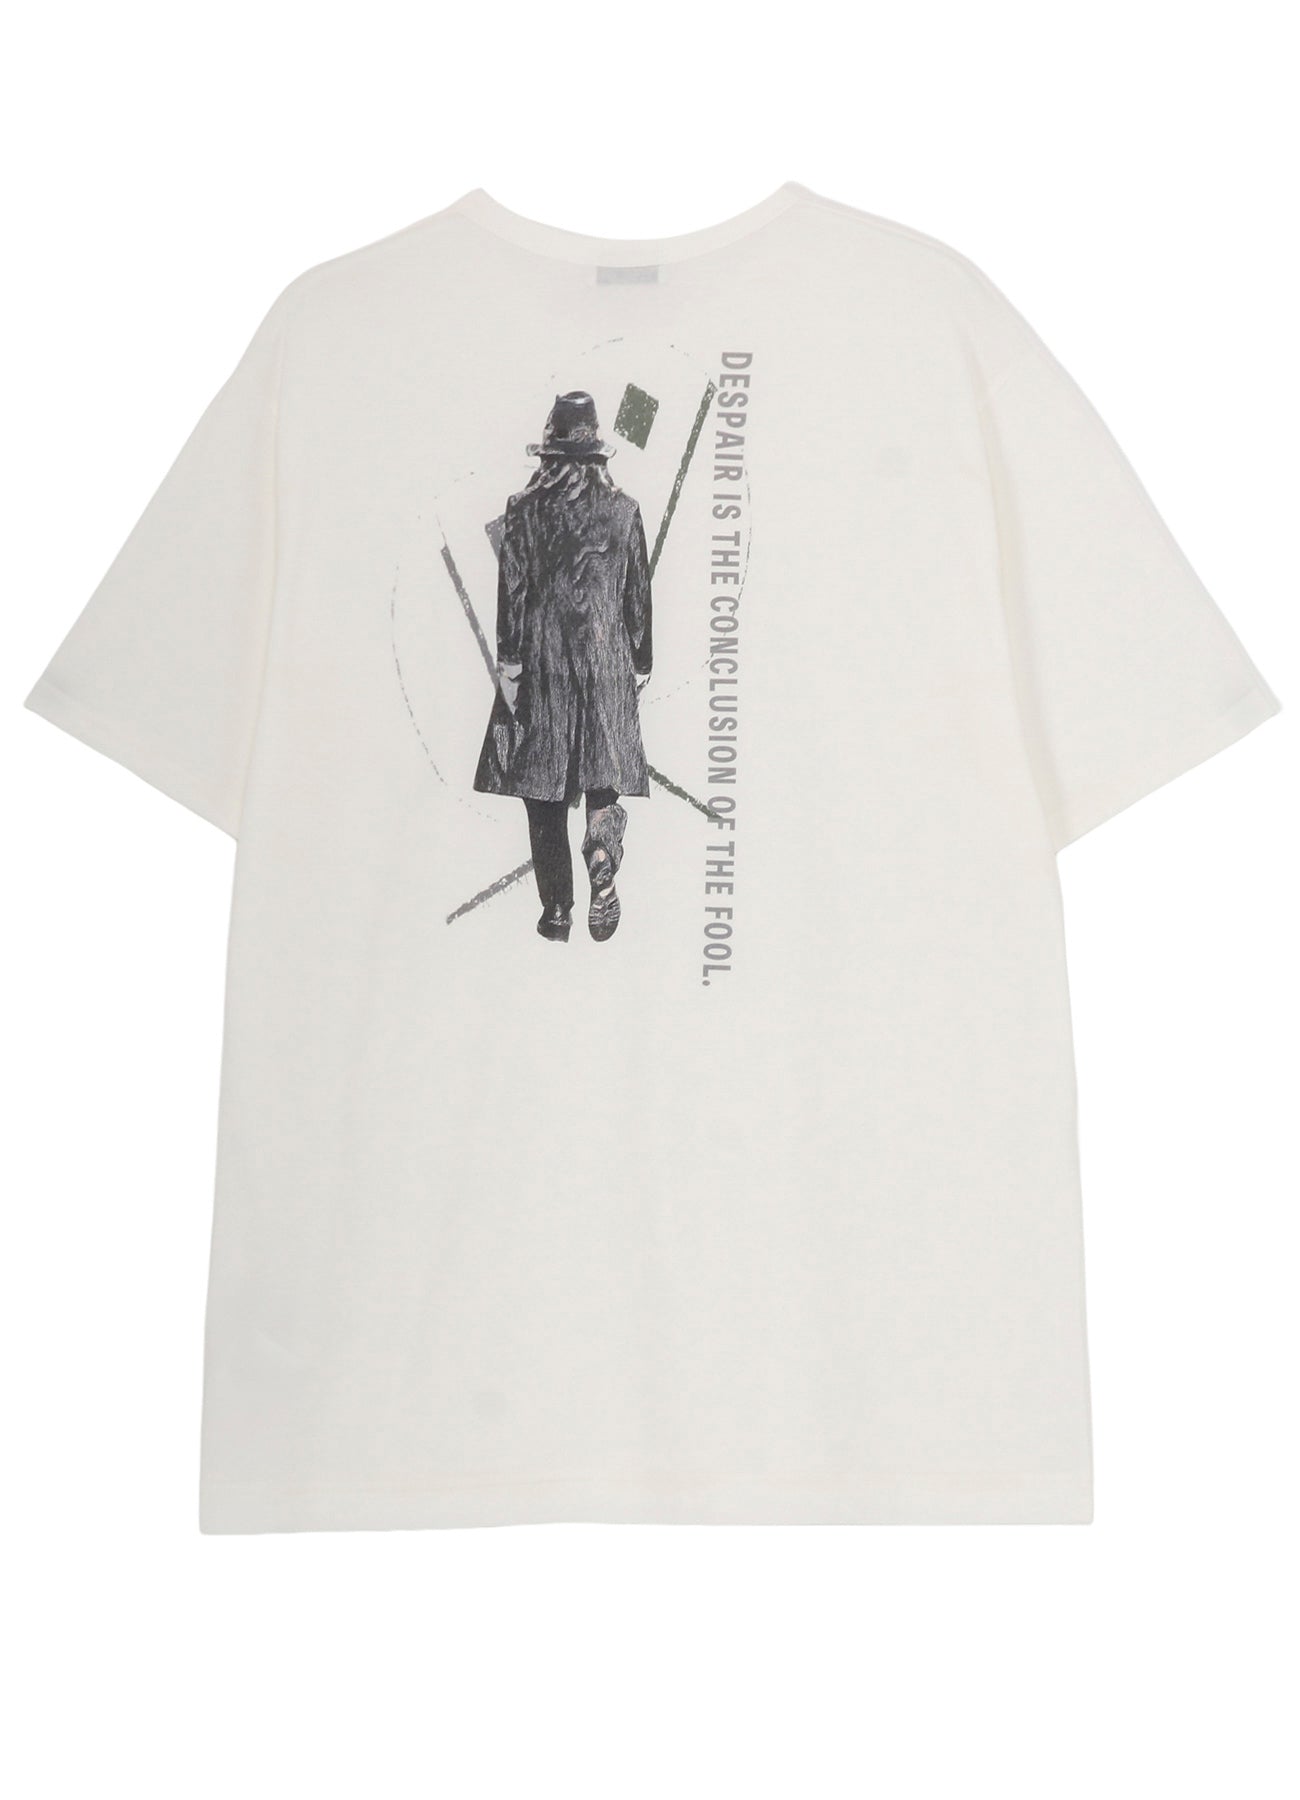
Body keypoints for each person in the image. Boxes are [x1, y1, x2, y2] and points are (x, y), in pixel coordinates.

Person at [473, 391, 653, 942]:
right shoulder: (625, 512)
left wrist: (509, 664)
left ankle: (557, 912)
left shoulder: (522, 509)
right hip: (607, 663)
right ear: (597, 453)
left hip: (543, 665)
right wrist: (641, 664)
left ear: (548, 453)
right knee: (602, 779)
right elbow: (638, 601)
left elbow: (511, 598)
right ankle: (601, 849)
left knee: (543, 792)